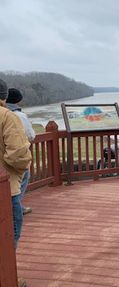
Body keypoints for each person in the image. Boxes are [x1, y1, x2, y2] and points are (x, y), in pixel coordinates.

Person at [0, 79, 32, 287]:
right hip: (4, 187)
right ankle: (7, 275)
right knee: (10, 231)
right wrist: (18, 173)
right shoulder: (6, 116)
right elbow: (19, 154)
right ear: (3, 96)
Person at [6, 88, 36, 215]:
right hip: (16, 156)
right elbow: (30, 135)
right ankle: (16, 208)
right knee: (21, 180)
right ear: (19, 100)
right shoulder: (19, 116)